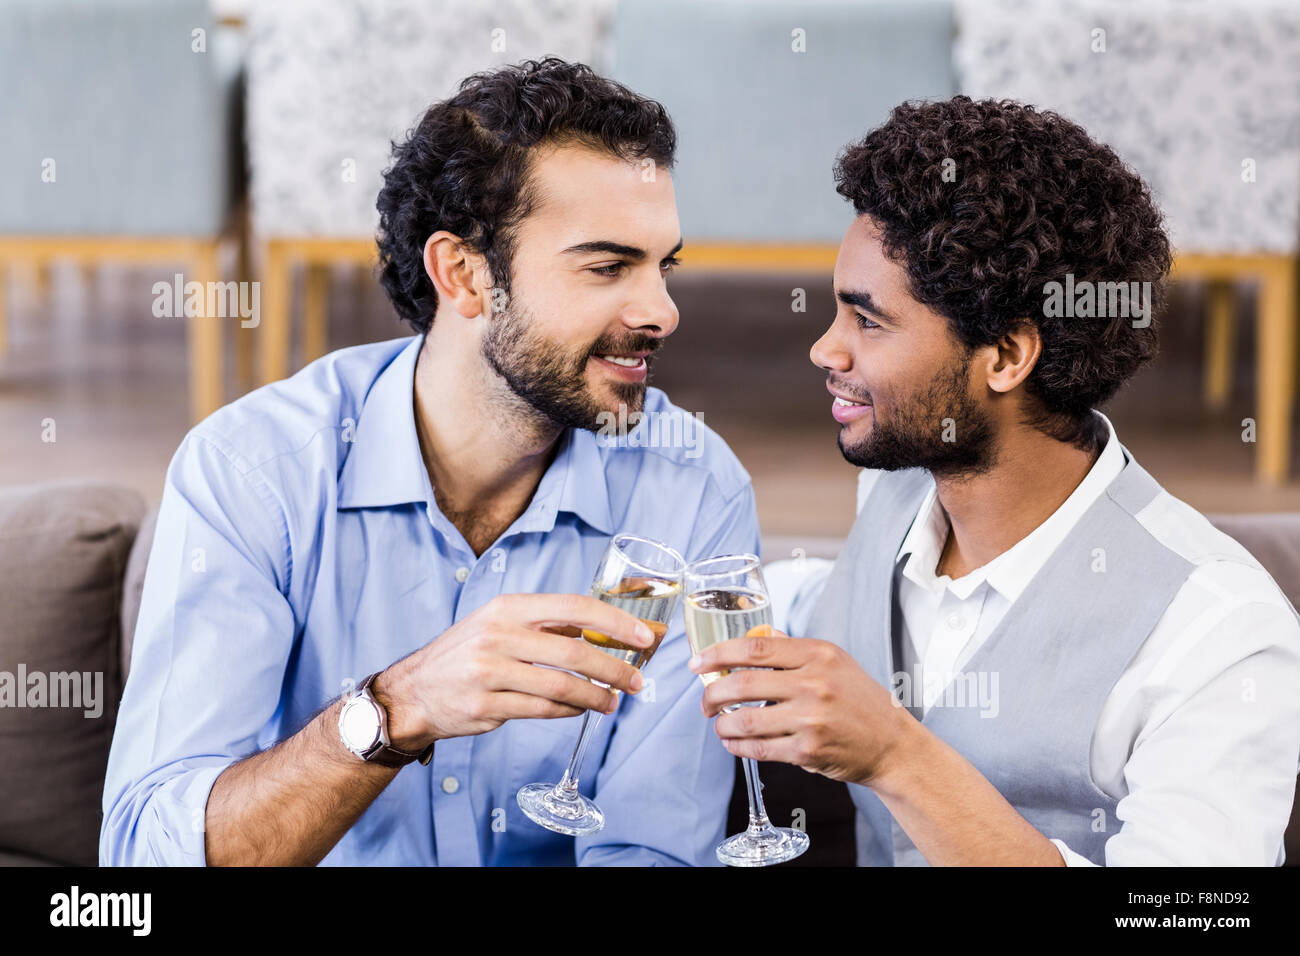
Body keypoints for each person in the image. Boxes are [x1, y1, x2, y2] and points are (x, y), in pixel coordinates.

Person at [101, 58, 757, 866]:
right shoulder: (256, 472)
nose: (663, 310)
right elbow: (144, 857)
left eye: (666, 266)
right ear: (464, 273)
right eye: (608, 266)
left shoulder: (691, 488)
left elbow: (652, 849)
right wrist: (397, 708)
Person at [691, 96, 1300, 866]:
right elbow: (824, 600)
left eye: (867, 321)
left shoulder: (1220, 632)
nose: (824, 350)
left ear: (1008, 356)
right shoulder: (897, 490)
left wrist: (896, 757)